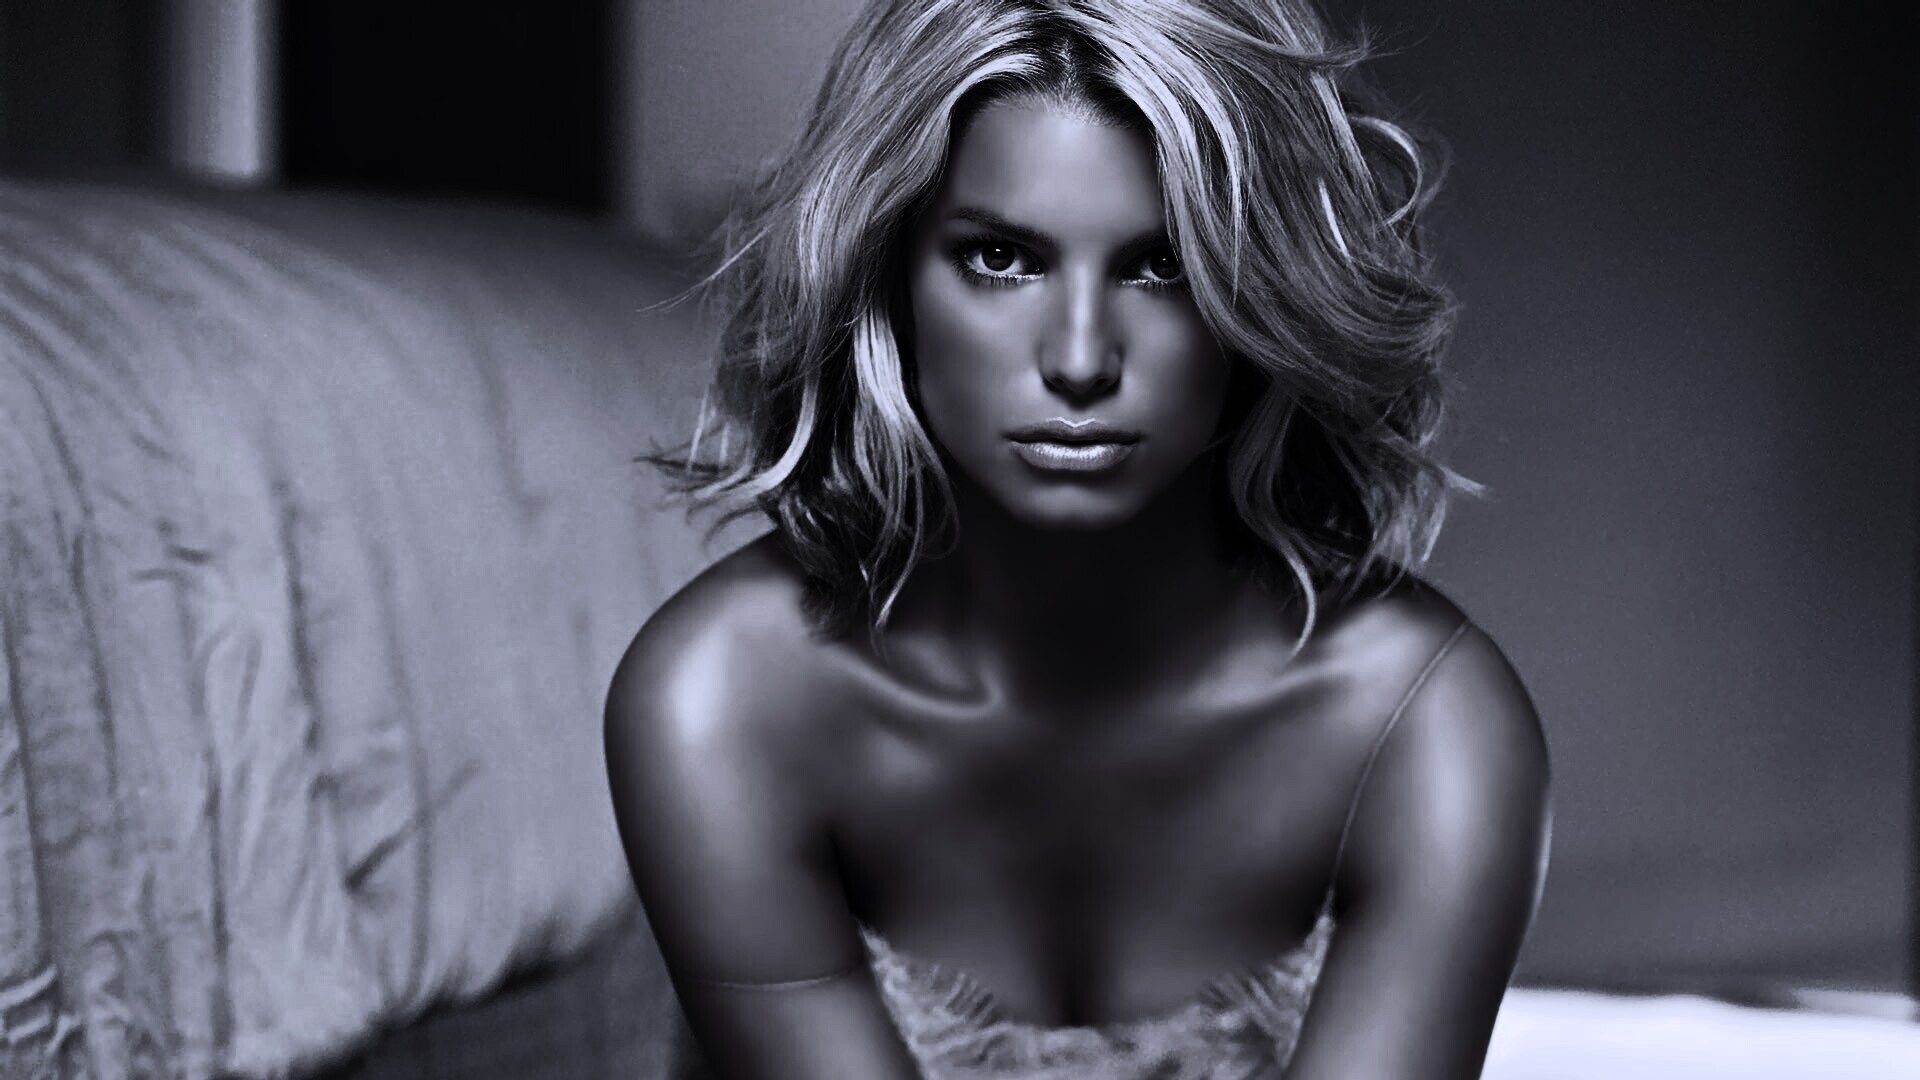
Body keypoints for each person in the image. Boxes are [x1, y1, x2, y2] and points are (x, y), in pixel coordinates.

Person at [604, 1, 1551, 1077]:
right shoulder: (723, 698)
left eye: (1164, 266)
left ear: (1265, 295)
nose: (1081, 358)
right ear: (887, 274)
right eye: (1001, 257)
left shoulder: (1425, 725)